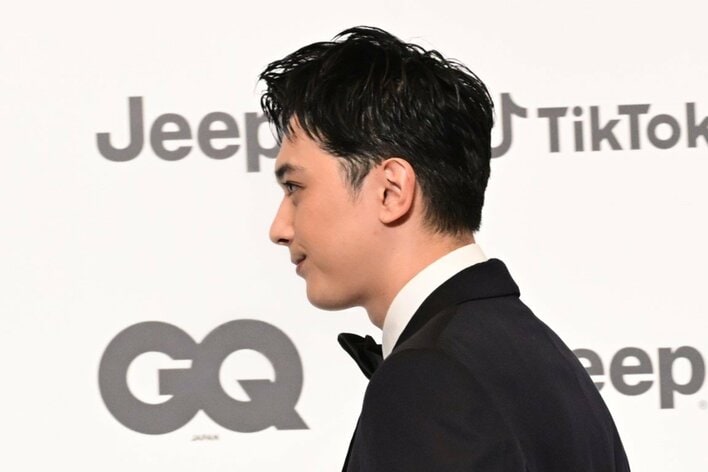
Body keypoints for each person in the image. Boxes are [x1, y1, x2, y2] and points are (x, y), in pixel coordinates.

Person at [260, 26, 630, 471]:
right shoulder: (541, 355)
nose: (279, 229)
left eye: (295, 187)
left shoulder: (431, 378)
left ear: (391, 190)